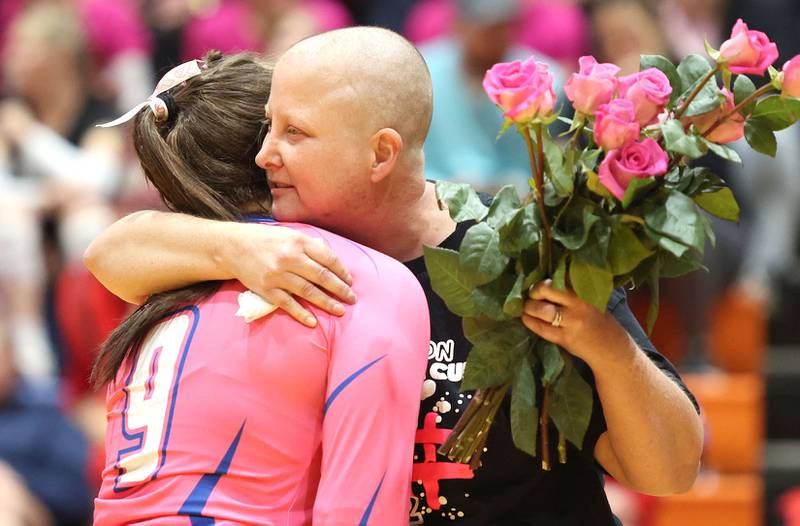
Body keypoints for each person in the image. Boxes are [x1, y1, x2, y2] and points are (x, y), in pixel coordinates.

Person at [85, 27, 704, 525]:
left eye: (293, 133)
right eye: (268, 126)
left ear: (381, 153)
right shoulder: (279, 251)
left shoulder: (523, 254)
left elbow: (670, 473)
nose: (264, 154)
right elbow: (112, 252)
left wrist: (608, 347)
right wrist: (235, 247)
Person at [90, 51, 429, 525]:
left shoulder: (157, 291)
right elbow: (358, 512)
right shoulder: (349, 276)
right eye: (282, 127)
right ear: (262, 151)